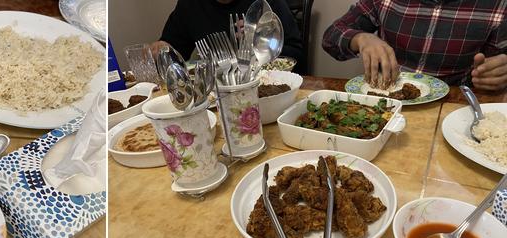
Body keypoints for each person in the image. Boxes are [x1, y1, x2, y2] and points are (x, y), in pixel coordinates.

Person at [322, 0, 507, 91]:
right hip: (384, 97)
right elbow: (330, 37)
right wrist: (361, 38)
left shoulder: (499, 5)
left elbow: (498, 67)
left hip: (452, 106)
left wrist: (498, 74)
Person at [152, 0, 305, 72]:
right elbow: (173, 52)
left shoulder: (265, 3)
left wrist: (261, 43)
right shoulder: (189, 5)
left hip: (268, 87)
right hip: (213, 95)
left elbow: (296, 53)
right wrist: (162, 51)